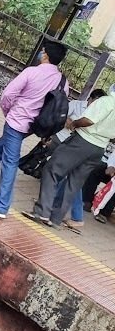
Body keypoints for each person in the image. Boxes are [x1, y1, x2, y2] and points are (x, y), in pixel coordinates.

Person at [0, 40, 67, 219]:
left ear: (46, 54)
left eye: (42, 51)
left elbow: (8, 94)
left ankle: (1, 206)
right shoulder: (62, 81)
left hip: (17, 122)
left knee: (9, 162)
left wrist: (8, 111)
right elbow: (59, 109)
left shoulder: (32, 72)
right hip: (35, 126)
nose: (40, 53)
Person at [27, 85, 115, 229]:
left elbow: (88, 120)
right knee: (74, 183)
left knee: (52, 169)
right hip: (99, 148)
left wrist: (74, 123)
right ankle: (55, 218)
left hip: (83, 141)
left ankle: (41, 211)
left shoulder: (107, 101)